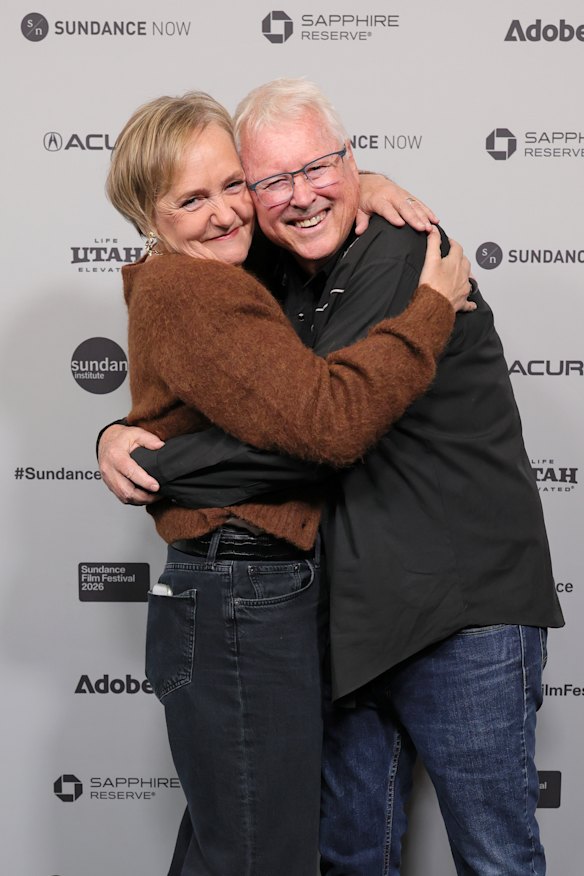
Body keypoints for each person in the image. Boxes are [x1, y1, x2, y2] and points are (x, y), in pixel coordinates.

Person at [101, 79, 565, 876]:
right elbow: (238, 395)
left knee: (494, 859)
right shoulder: (253, 272)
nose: (293, 196)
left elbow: (326, 425)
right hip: (342, 622)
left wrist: (158, 462)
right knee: (332, 856)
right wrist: (118, 430)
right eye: (269, 180)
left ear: (352, 161)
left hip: (461, 616)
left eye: (322, 169)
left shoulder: (407, 258)